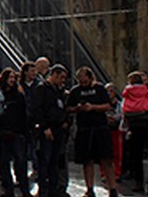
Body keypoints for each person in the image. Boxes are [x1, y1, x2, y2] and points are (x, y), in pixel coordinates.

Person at [65, 67, 118, 197]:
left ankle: (113, 188)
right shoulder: (75, 91)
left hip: (100, 128)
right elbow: (68, 108)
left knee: (106, 159)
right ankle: (89, 188)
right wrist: (78, 108)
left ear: (90, 77)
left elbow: (107, 105)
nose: (82, 82)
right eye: (80, 80)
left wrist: (93, 107)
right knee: (86, 160)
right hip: (84, 129)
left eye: (84, 79)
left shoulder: (99, 89)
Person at [31, 64, 69, 197]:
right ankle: (43, 190)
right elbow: (38, 109)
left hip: (59, 129)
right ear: (54, 75)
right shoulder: (42, 89)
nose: (63, 80)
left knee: (55, 161)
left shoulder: (59, 91)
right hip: (47, 129)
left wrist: (64, 121)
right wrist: (44, 126)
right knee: (44, 161)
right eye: (61, 77)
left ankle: (53, 189)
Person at [0, 69, 30, 197]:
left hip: (16, 133)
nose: (12, 80)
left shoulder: (19, 95)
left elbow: (23, 114)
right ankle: (8, 189)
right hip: (2, 133)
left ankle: (24, 188)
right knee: (3, 163)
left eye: (14, 77)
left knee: (20, 162)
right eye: (9, 77)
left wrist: (24, 132)